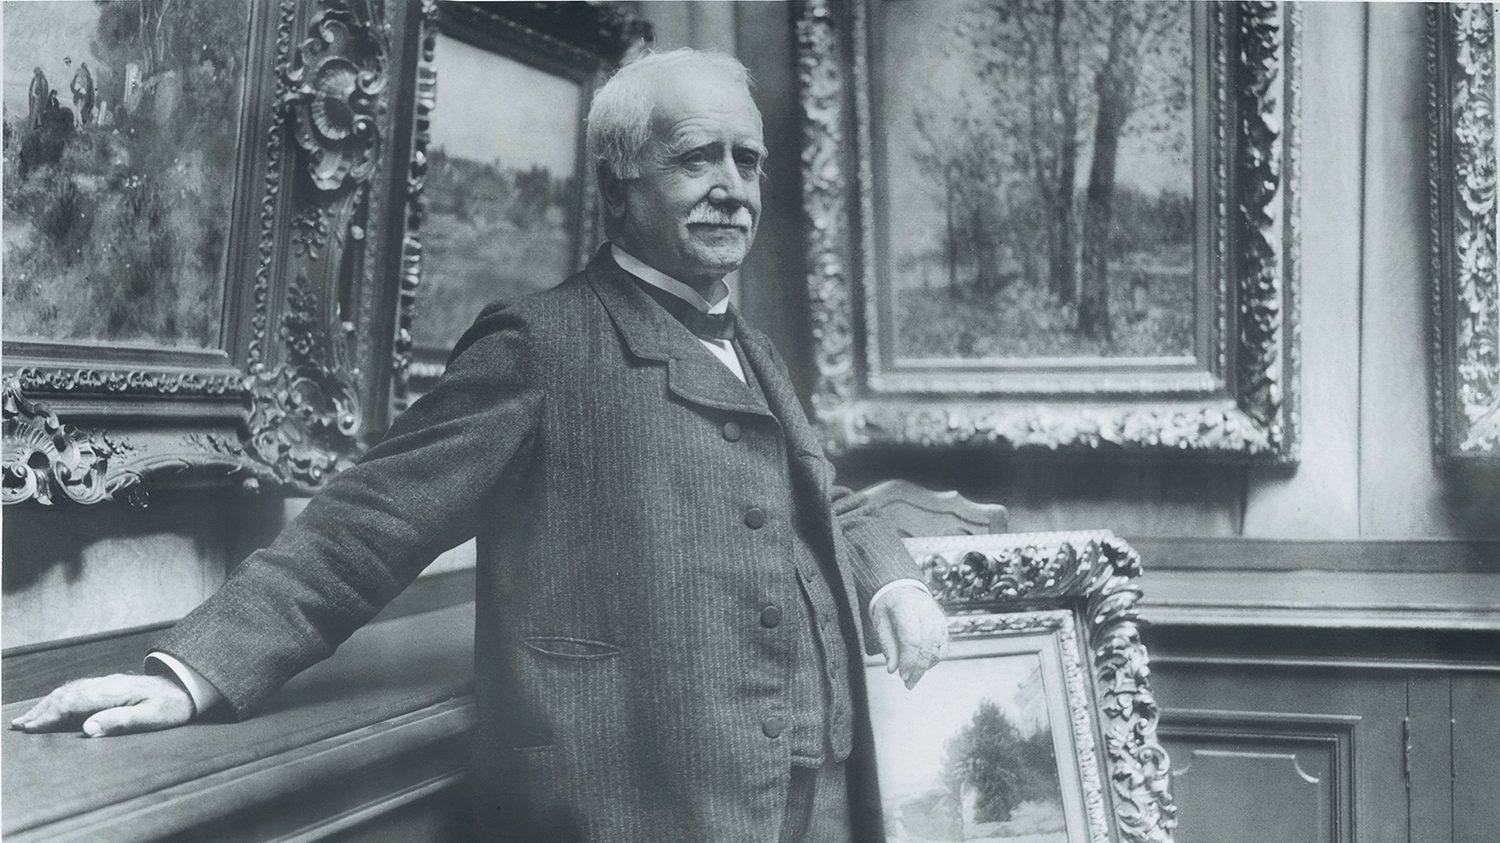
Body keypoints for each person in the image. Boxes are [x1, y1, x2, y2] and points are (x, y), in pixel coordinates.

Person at [11, 49, 948, 841]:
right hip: (649, 799)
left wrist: (892, 582)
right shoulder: (539, 344)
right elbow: (369, 521)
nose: (733, 191)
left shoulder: (755, 349)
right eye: (697, 159)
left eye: (749, 161)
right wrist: (192, 674)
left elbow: (820, 495)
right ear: (618, 183)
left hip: (818, 789)